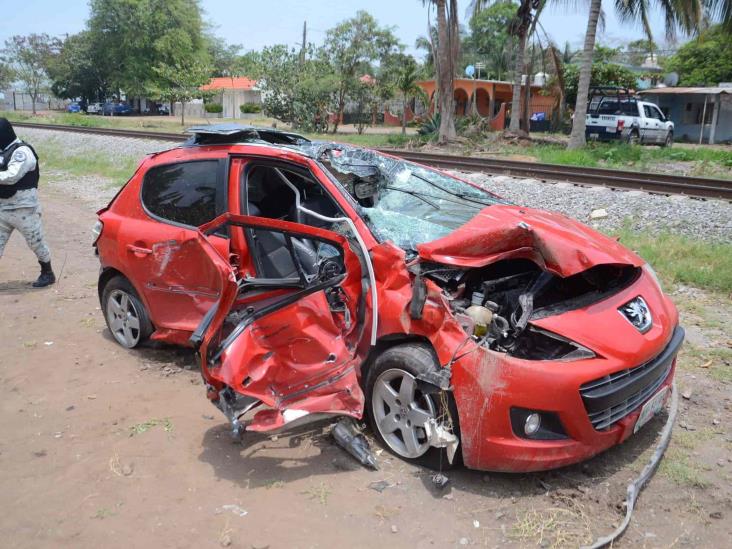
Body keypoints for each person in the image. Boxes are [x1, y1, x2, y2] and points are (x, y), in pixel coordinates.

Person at [0, 118, 55, 287]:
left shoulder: (22, 152)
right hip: (3, 208)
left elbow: (12, 176)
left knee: (36, 242)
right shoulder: (3, 152)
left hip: (24, 209)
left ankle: (47, 272)